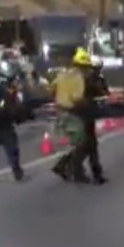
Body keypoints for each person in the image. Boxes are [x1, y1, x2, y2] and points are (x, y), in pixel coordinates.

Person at [49, 47, 92, 183]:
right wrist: (88, 104)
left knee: (75, 143)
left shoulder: (62, 74)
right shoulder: (78, 78)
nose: (88, 71)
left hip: (60, 112)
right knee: (82, 144)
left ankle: (63, 166)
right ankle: (75, 172)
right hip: (71, 113)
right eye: (87, 68)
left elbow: (51, 89)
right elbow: (76, 98)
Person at [79, 55, 110, 184]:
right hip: (84, 115)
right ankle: (95, 173)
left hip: (86, 114)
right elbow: (102, 92)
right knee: (89, 144)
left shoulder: (88, 78)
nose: (96, 71)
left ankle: (76, 168)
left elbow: (104, 93)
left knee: (87, 144)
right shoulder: (89, 79)